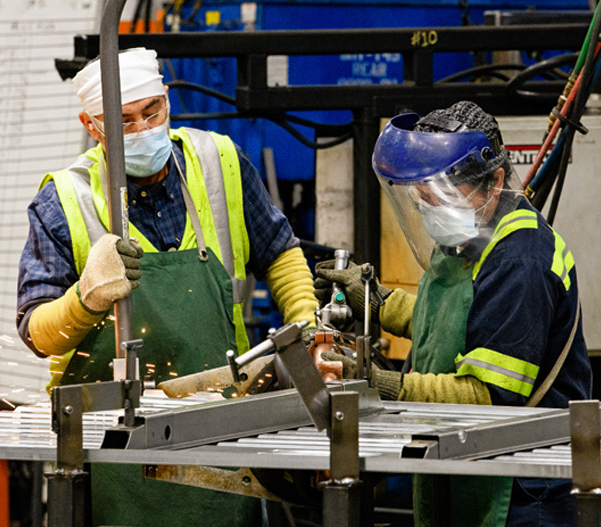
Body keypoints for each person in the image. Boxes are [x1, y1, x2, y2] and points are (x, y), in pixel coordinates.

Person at [17, 47, 317, 527]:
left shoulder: (219, 162)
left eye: (150, 111)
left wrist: (305, 327)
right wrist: (85, 299)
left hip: (221, 430)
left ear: (167, 99)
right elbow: (36, 332)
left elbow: (279, 252)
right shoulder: (62, 201)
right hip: (110, 450)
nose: (141, 129)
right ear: (91, 125)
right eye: (123, 122)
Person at [315, 101, 591, 527]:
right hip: (465, 459)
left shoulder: (521, 259)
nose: (430, 208)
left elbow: (488, 396)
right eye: (422, 196)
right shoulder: (471, 239)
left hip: (523, 490)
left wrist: (382, 383)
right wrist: (376, 302)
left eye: (442, 195)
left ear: (495, 182)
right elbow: (454, 322)